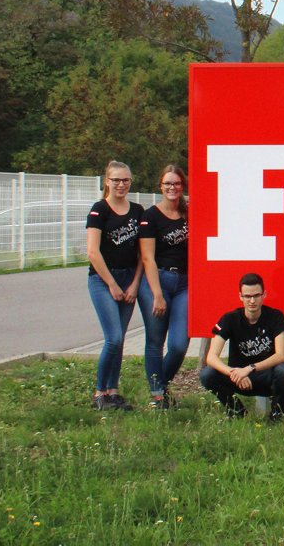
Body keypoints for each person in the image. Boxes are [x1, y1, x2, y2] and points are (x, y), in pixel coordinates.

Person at [85, 160, 144, 411]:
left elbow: (144, 253)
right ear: (106, 181)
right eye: (116, 180)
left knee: (119, 340)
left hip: (129, 278)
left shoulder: (138, 211)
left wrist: (134, 284)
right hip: (102, 280)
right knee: (114, 337)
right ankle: (99, 392)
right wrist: (111, 283)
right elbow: (92, 252)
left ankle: (113, 391)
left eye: (126, 180)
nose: (121, 184)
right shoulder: (100, 210)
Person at [199, 273, 284, 421]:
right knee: (207, 374)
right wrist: (234, 373)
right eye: (247, 296)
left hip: (265, 375)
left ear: (264, 295)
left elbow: (281, 355)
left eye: (256, 295)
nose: (252, 300)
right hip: (238, 377)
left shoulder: (275, 316)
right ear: (240, 297)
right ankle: (237, 411)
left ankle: (277, 413)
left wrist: (249, 368)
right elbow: (211, 357)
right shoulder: (230, 319)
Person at [137, 164, 190, 409]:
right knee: (155, 342)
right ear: (161, 186)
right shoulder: (150, 216)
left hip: (184, 284)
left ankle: (161, 386)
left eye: (176, 183)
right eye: (168, 183)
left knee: (179, 344)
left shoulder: (188, 213)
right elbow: (147, 258)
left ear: (182, 186)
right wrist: (157, 294)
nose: (172, 187)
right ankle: (159, 397)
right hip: (158, 281)